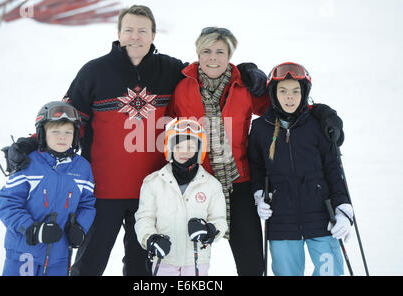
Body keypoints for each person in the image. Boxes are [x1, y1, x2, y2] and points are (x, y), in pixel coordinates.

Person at [0, 6, 344, 276]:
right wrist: (33, 142)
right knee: (108, 263)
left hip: (194, 186)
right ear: (119, 33)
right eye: (129, 30)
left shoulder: (197, 76)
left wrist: (319, 110)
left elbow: (274, 99)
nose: (136, 36)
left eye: (143, 30)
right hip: (136, 186)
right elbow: (68, 115)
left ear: (153, 34)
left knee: (169, 265)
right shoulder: (117, 73)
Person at [166, 27, 347, 276]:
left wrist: (325, 113)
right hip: (198, 184)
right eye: (206, 51)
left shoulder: (244, 86)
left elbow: (286, 108)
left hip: (239, 184)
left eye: (220, 51)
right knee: (184, 261)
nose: (213, 58)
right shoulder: (182, 88)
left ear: (230, 54)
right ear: (198, 52)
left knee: (252, 265)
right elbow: (167, 127)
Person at [247, 62, 353, 276]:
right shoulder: (260, 129)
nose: (289, 97)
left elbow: (333, 170)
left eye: (296, 91)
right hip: (281, 221)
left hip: (323, 219)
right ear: (273, 93)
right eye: (283, 91)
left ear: (304, 93)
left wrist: (343, 210)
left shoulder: (317, 126)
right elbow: (256, 169)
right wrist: (259, 196)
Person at [0, 101, 96, 276]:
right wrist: (32, 229)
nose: (62, 137)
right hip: (23, 252)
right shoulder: (28, 164)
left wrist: (80, 228)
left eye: (68, 132)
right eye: (55, 132)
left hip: (59, 257)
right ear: (42, 134)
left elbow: (87, 205)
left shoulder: (82, 168)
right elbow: (9, 204)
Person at [135, 119, 227, 276]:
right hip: (164, 259)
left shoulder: (211, 185)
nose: (184, 152)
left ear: (199, 150)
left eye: (191, 147)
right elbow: (145, 218)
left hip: (196, 261)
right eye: (179, 146)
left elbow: (219, 220)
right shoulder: (153, 182)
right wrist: (150, 239)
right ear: (170, 148)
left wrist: (208, 231)